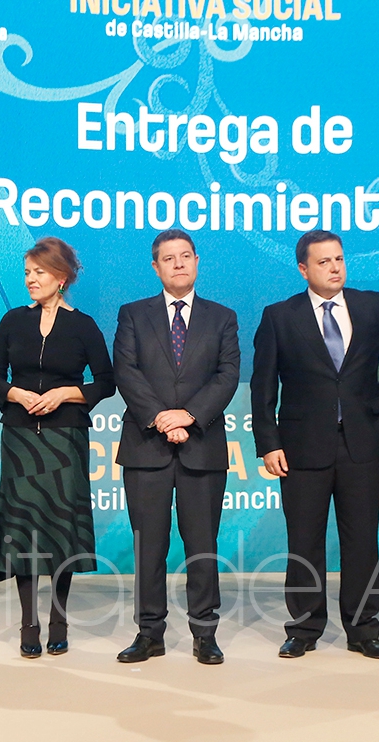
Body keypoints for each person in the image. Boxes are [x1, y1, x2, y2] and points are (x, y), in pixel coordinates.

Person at [251, 230, 379, 659]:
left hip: (360, 442)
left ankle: (363, 630)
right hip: (301, 446)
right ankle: (304, 629)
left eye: (339, 259)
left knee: (361, 540)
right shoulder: (279, 316)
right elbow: (263, 386)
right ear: (303, 269)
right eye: (323, 262)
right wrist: (268, 443)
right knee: (304, 540)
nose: (335, 268)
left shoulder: (372, 305)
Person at [0, 237, 115, 658]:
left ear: (61, 277)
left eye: (38, 272)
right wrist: (15, 394)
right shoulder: (12, 321)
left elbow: (106, 382)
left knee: (59, 528)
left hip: (65, 438)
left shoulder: (84, 326)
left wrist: (65, 394)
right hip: (20, 437)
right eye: (27, 272)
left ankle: (58, 618)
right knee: (24, 527)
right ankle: (29, 621)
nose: (30, 279)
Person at [113, 230, 240, 666]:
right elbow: (126, 370)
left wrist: (188, 415)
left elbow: (227, 374)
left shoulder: (222, 317)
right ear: (156, 267)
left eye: (186, 256)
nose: (179, 263)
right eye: (169, 258)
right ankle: (149, 633)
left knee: (202, 545)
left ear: (197, 261)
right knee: (149, 546)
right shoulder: (133, 314)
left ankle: (205, 633)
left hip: (201, 445)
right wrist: (160, 417)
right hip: (146, 445)